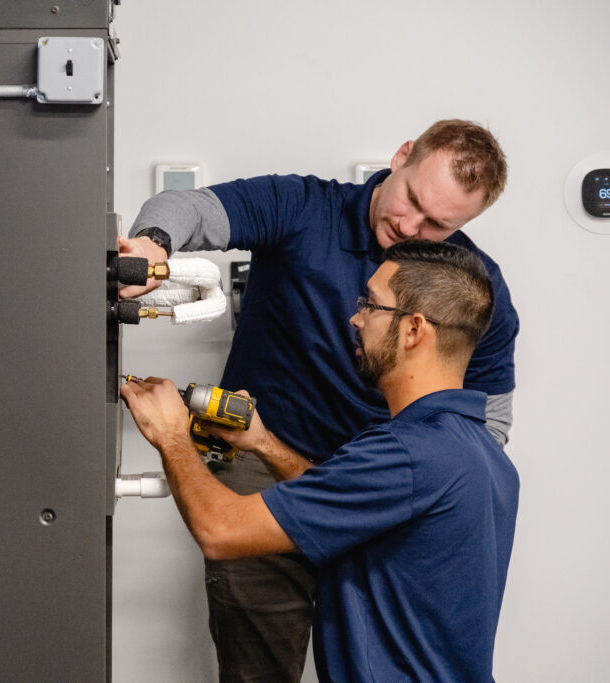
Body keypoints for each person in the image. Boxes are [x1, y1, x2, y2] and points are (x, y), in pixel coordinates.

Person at [118, 119, 519, 681]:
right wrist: (150, 246)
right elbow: (193, 207)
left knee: (378, 651)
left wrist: (429, 490)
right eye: (411, 201)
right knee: (267, 665)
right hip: (266, 457)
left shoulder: (472, 289)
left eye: (437, 226)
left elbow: (486, 428)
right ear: (402, 156)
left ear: (415, 329)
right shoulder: (305, 206)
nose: (409, 227)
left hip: (383, 483)